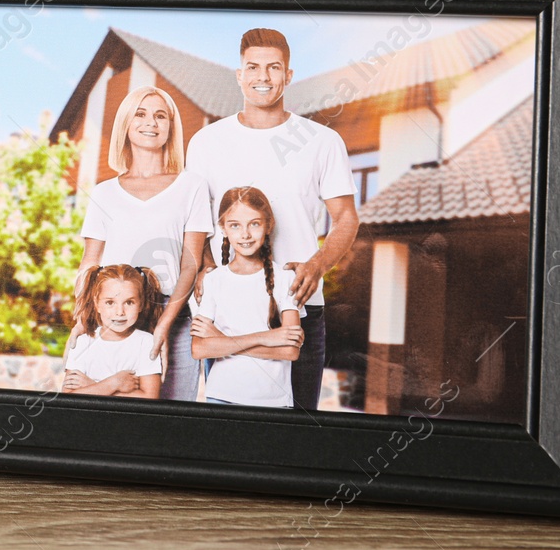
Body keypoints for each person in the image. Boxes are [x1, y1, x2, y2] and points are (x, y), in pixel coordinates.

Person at [185, 28, 359, 411]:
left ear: (288, 75)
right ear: (239, 74)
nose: (263, 77)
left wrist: (318, 265)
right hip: (227, 309)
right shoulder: (205, 143)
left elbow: (346, 217)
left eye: (273, 68)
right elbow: (194, 220)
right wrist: (207, 268)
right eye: (253, 67)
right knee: (226, 422)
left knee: (295, 431)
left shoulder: (321, 141)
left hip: (298, 304)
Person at [72, 86, 212, 401]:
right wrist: (82, 316)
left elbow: (190, 263)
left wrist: (163, 326)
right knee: (109, 415)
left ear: (171, 127)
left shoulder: (192, 186)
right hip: (112, 317)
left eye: (160, 115)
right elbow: (89, 262)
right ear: (126, 124)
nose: (151, 122)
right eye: (141, 114)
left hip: (172, 315)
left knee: (173, 420)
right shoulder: (104, 193)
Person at [190, 187, 304, 407]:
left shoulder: (286, 279)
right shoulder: (213, 281)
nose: (245, 235)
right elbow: (199, 349)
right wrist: (265, 338)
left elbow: (290, 351)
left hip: (274, 401)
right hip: (221, 395)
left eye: (254, 224)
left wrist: (222, 341)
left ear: (268, 225)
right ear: (223, 228)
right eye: (235, 225)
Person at [62, 264, 163, 398]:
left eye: (129, 302)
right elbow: (68, 398)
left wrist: (93, 386)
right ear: (97, 304)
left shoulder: (146, 342)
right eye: (110, 303)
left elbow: (150, 397)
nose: (120, 312)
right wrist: (113, 383)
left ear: (141, 304)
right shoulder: (82, 343)